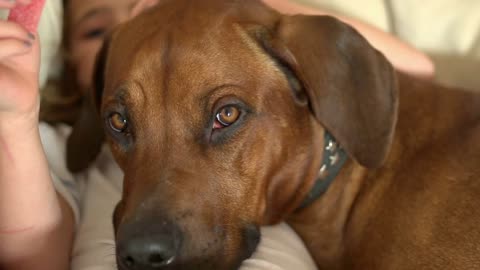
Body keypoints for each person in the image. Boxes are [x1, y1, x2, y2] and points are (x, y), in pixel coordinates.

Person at [0, 0, 434, 269]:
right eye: (121, 124)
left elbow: (411, 68)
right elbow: (33, 244)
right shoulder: (60, 146)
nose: (141, 25)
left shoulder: (261, 44)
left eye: (225, 115)